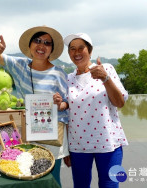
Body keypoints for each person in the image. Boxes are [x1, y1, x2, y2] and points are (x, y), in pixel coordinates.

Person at [0, 26, 69, 186]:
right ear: (30, 45)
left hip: (52, 134)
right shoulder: (20, 65)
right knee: (28, 174)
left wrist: (59, 104)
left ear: (51, 49)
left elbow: (67, 104)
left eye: (47, 43)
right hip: (29, 132)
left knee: (52, 178)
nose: (41, 46)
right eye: (37, 41)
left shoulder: (59, 72)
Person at [54, 33, 129, 188]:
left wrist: (105, 78)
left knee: (110, 185)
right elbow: (67, 109)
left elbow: (119, 102)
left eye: (81, 48)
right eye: (72, 49)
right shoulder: (68, 79)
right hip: (78, 144)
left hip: (108, 142)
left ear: (90, 51)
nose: (76, 52)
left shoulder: (106, 69)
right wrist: (58, 104)